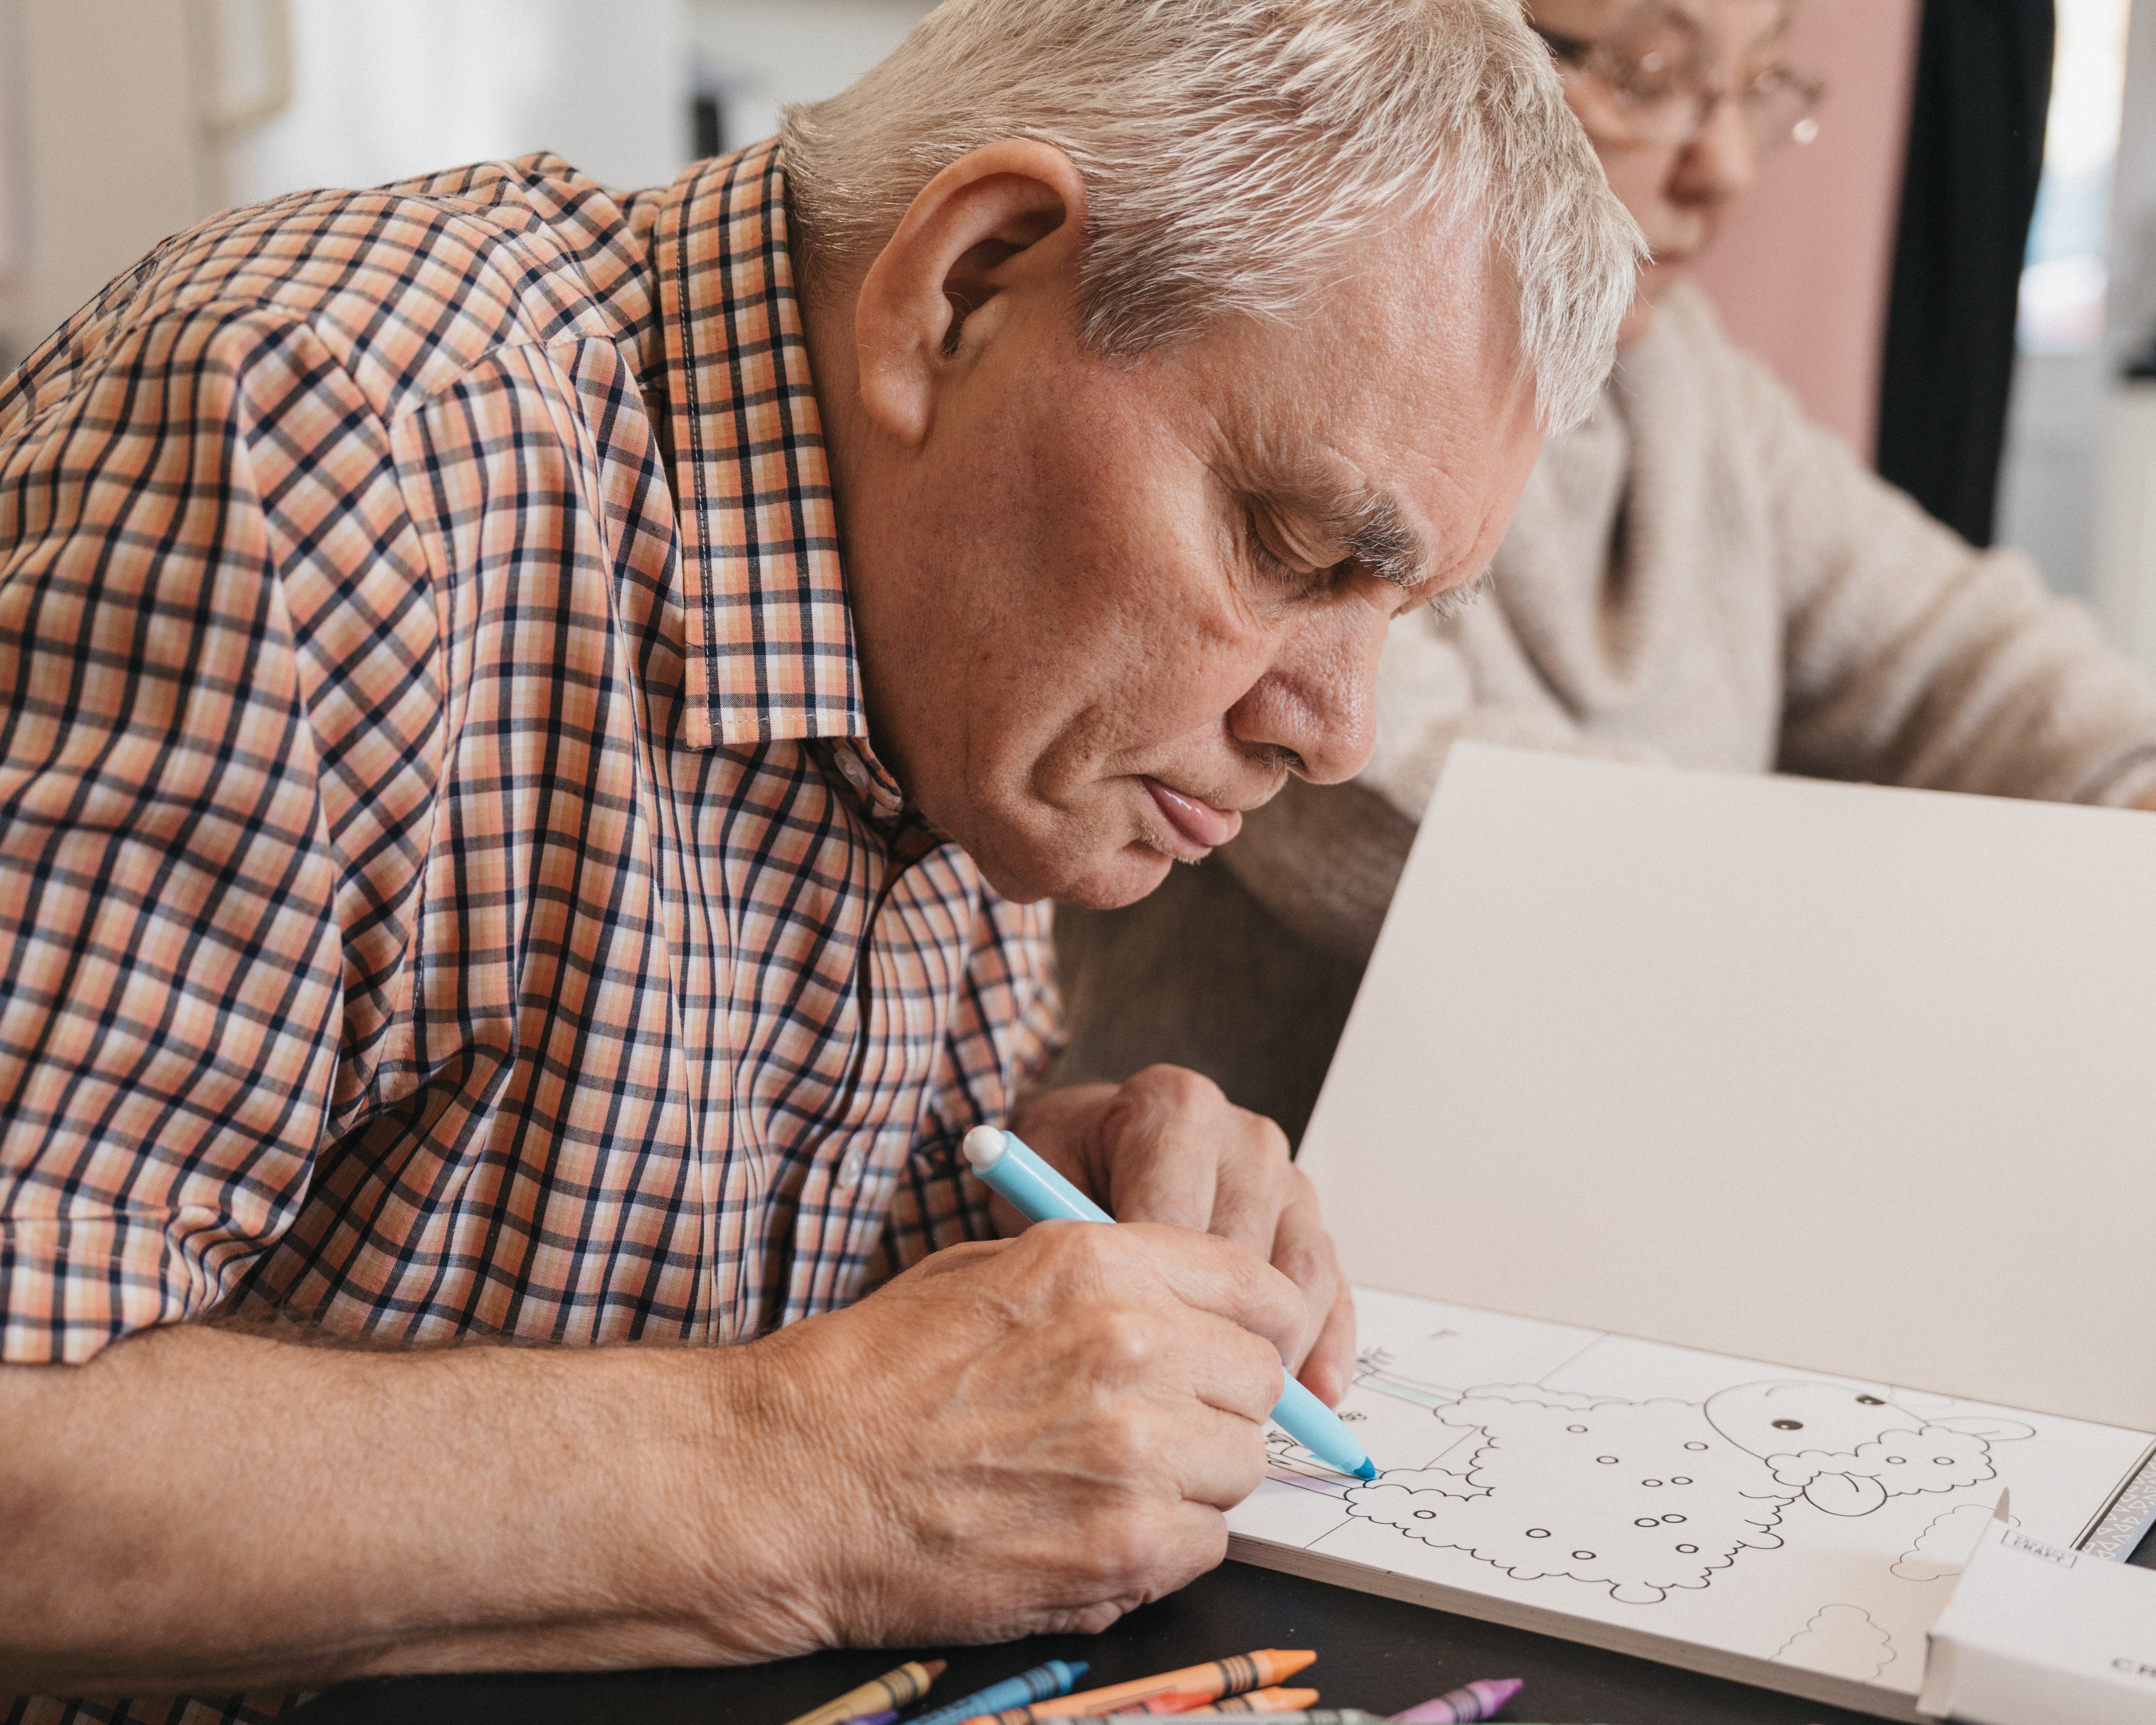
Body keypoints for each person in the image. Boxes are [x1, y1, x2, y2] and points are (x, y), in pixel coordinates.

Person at [0, 2, 1639, 1720]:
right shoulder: (340, 448)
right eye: (1295, 546)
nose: (1340, 728)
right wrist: (802, 1470)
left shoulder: (955, 643)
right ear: (965, 290)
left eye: (1406, 611)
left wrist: (1022, 1209)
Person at [1052, 0, 2156, 1144]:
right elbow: (1415, 803)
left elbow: (1961, 653)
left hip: (1626, 1164)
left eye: (1758, 85)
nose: (1722, 169)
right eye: (1649, 74)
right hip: (1235, 1214)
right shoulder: (1306, 361)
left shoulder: (1683, 379)